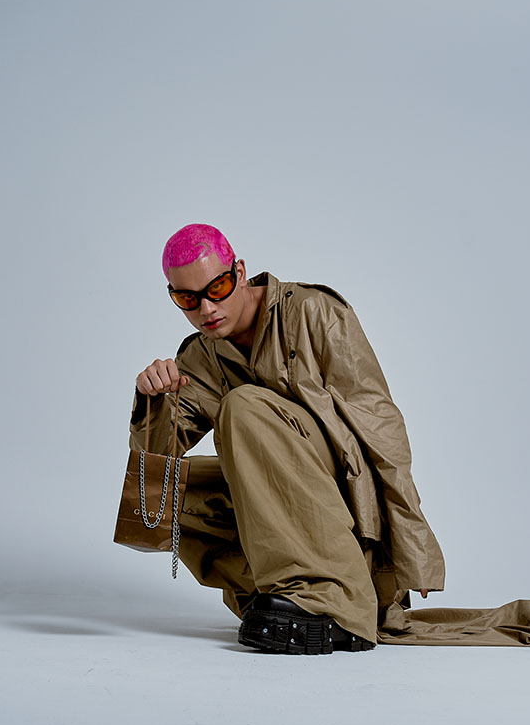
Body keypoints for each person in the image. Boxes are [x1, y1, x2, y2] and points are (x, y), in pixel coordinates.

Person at [131, 222, 446, 654]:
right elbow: (152, 467)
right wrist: (153, 400)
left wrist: (413, 544)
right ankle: (278, 594)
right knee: (164, 491)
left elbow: (380, 426)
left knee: (243, 405)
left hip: (346, 502)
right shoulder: (198, 359)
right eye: (188, 299)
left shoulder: (314, 312)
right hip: (280, 519)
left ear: (240, 272)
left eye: (217, 287)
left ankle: (333, 596)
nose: (207, 308)